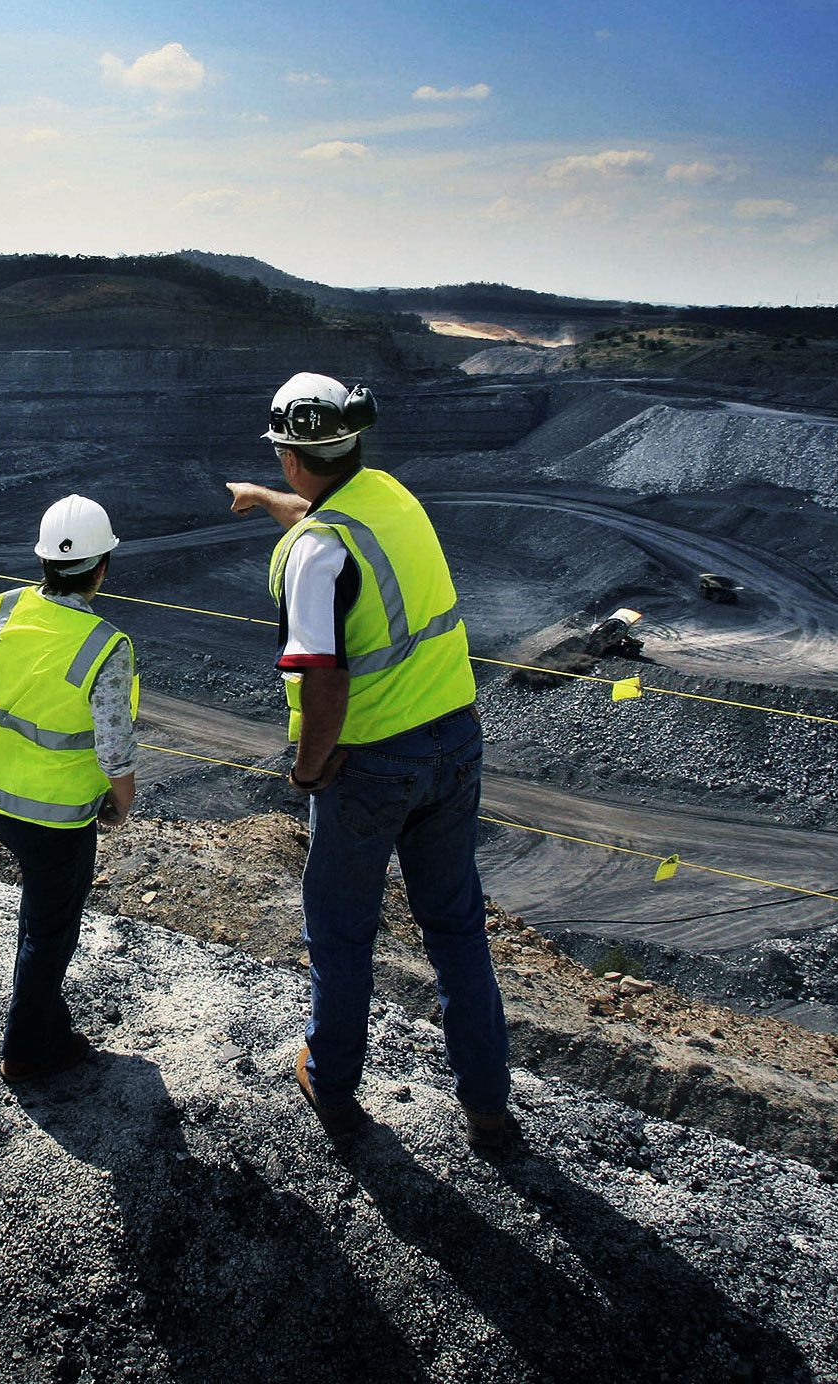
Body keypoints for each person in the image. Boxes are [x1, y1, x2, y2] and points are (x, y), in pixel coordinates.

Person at [224, 372, 520, 1154]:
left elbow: (323, 679)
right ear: (352, 441)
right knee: (456, 927)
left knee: (342, 928)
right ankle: (488, 1107)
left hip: (370, 762)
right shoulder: (387, 494)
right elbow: (327, 512)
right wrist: (262, 495)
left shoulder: (312, 555)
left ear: (292, 454)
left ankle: (333, 1081)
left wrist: (310, 771)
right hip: (455, 741)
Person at [0, 494, 140, 1083]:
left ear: (45, 562)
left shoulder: (3, 608)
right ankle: (30, 1050)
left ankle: (45, 1023)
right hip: (56, 818)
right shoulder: (105, 646)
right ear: (102, 567)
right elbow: (114, 750)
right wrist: (121, 807)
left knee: (40, 916)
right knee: (50, 931)